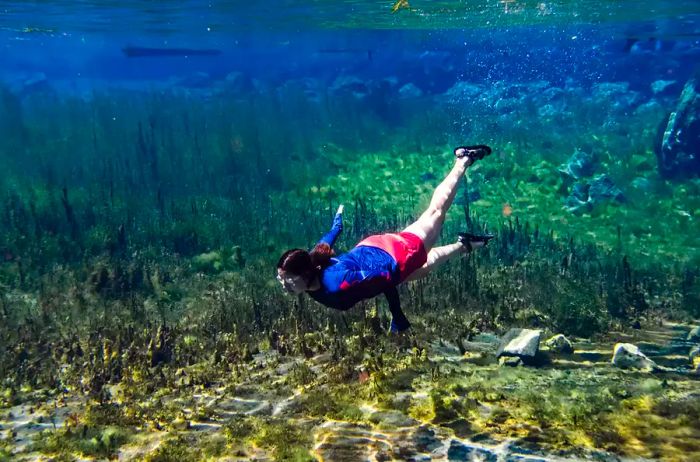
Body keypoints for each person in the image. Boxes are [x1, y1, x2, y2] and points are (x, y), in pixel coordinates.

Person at [276, 145, 494, 333]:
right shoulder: (314, 264)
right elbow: (330, 237)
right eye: (281, 279)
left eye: (287, 279)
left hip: (395, 255)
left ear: (305, 273)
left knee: (435, 212)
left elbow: (384, 279)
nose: (283, 284)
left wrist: (397, 316)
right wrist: (338, 221)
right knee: (424, 268)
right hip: (372, 248)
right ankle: (464, 244)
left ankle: (463, 158)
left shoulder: (337, 283)